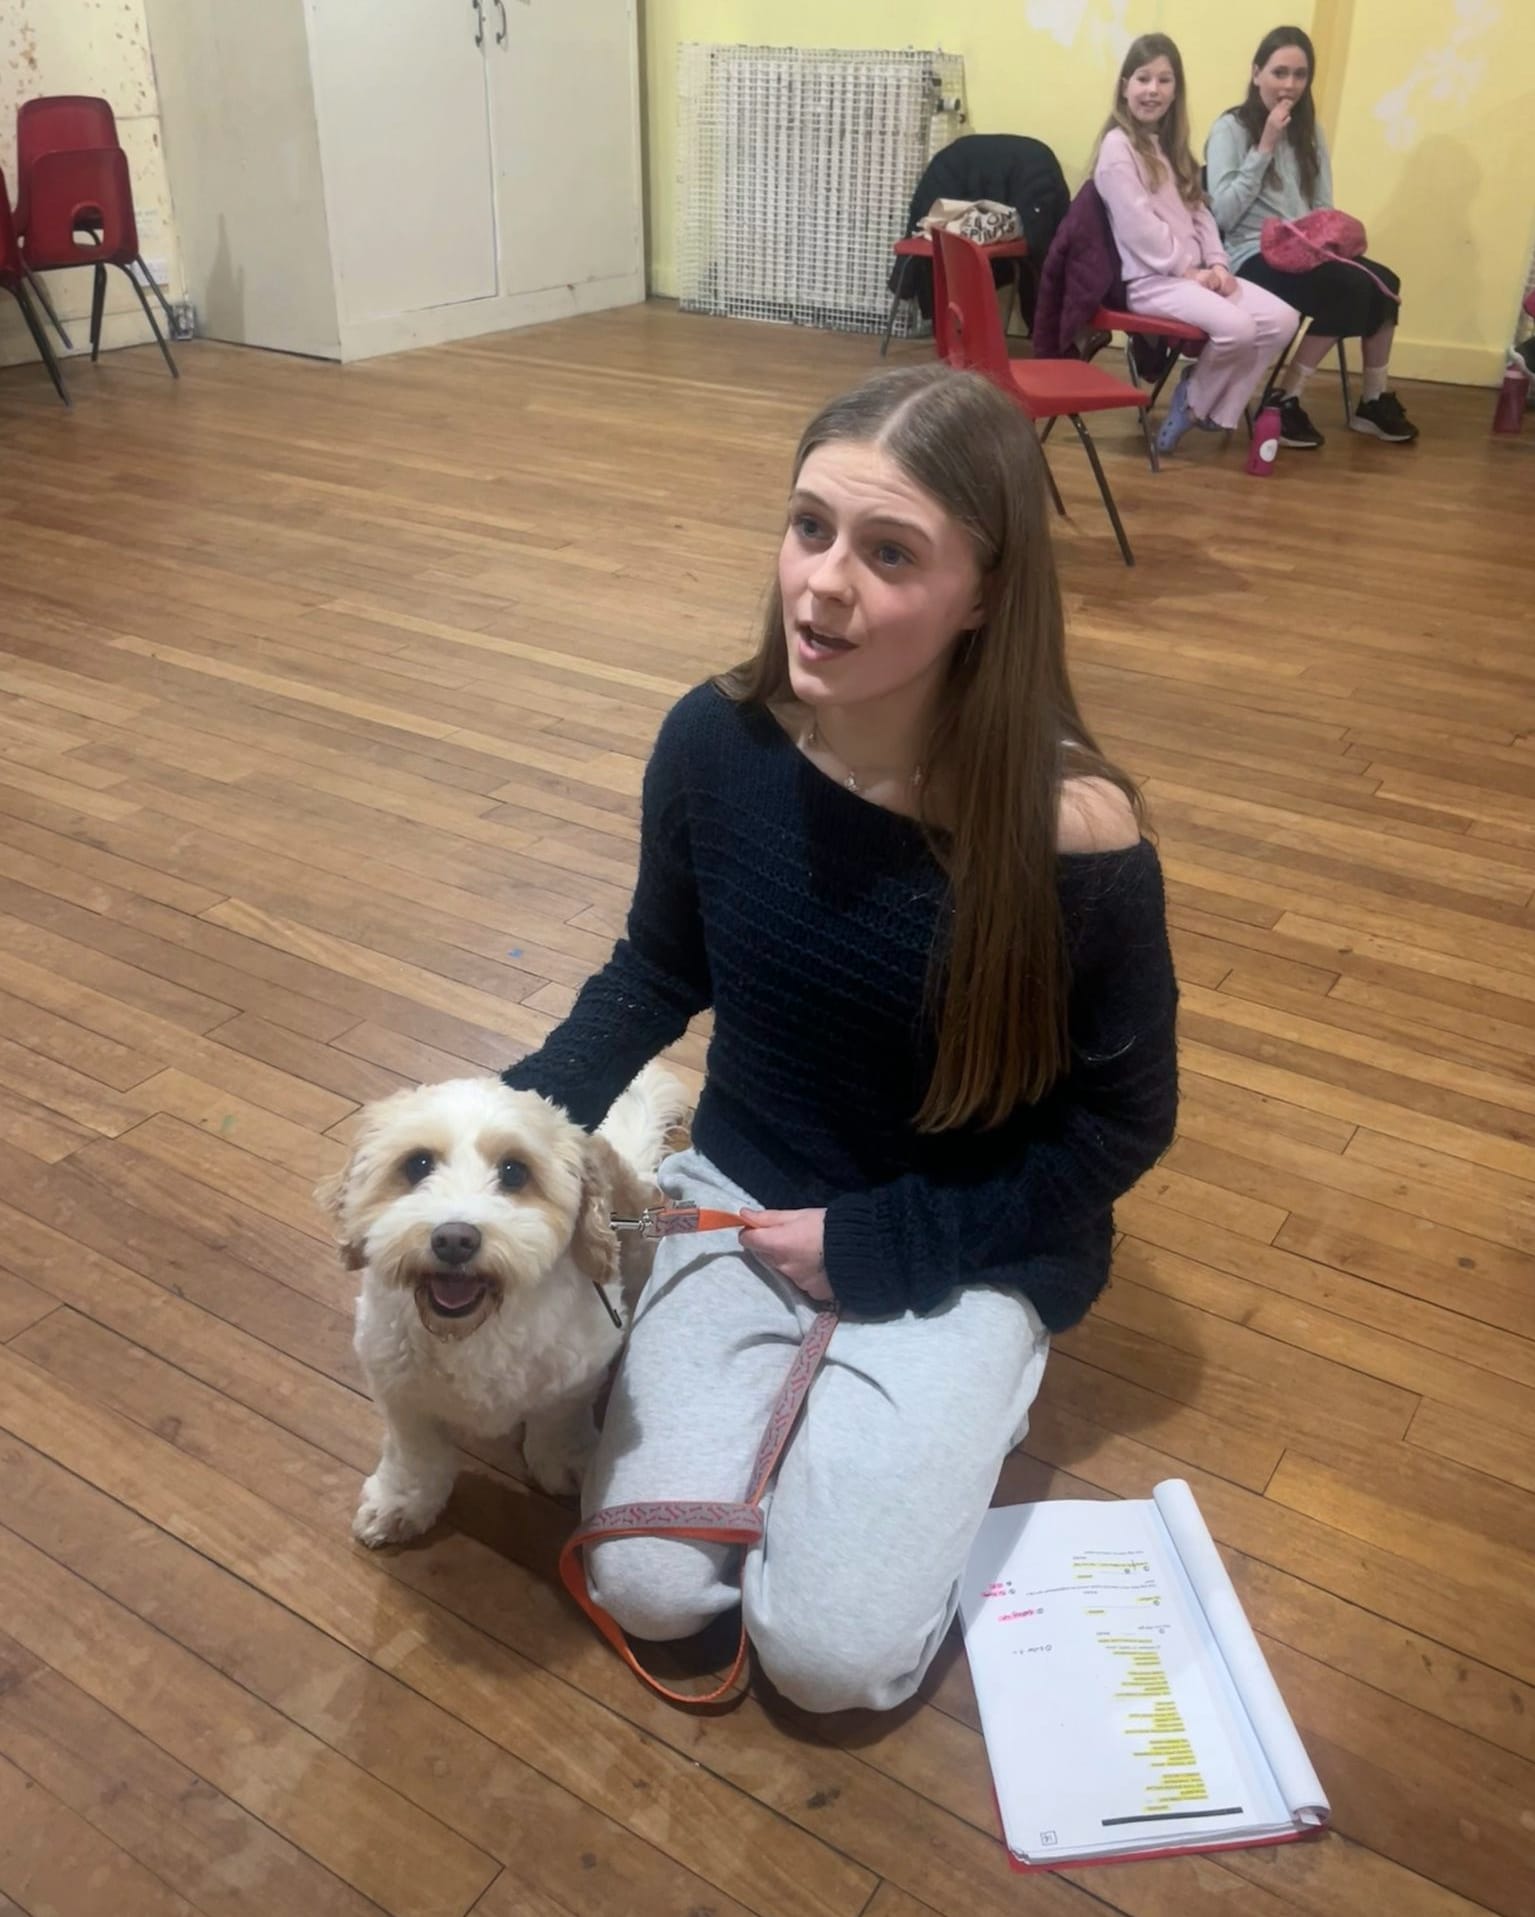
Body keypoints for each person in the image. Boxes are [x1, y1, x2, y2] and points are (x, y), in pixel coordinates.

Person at [500, 363, 1179, 1714]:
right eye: (808, 527)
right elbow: (655, 968)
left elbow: (1119, 1126)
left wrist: (887, 1247)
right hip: (741, 1192)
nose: (820, 586)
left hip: (963, 1229)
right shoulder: (712, 739)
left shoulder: (1075, 835)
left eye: (887, 554)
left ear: (984, 593)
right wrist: (499, 1127)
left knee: (828, 1663)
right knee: (649, 1586)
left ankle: (975, 1377)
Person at [1207, 25, 1418, 448]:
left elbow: (1322, 206)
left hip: (1305, 250)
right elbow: (1223, 213)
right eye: (1279, 72)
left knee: (1386, 283)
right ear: (1256, 74)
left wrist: (1329, 237)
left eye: (1299, 75)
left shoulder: (1311, 132)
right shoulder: (1231, 127)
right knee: (1350, 289)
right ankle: (1281, 401)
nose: (1289, 85)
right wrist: (1265, 145)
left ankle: (1373, 401)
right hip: (1251, 253)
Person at [1093, 33, 1299, 455]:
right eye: (1143, 79)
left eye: (1164, 80)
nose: (1153, 90)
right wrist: (1189, 270)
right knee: (1237, 329)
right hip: (1153, 281)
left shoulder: (1170, 146)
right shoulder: (1118, 148)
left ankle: (1198, 399)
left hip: (1192, 276)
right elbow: (1138, 228)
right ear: (1125, 85)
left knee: (1282, 319)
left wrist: (1219, 265)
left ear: (1176, 89)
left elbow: (1201, 213)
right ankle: (1197, 402)